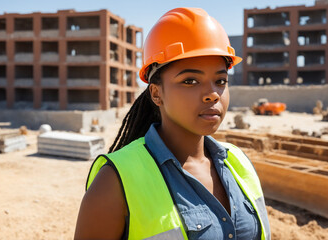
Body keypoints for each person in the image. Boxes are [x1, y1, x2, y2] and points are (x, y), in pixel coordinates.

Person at [74, 7, 271, 240]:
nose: (212, 94)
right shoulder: (114, 182)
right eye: (190, 80)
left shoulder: (238, 163)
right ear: (156, 94)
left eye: (220, 80)